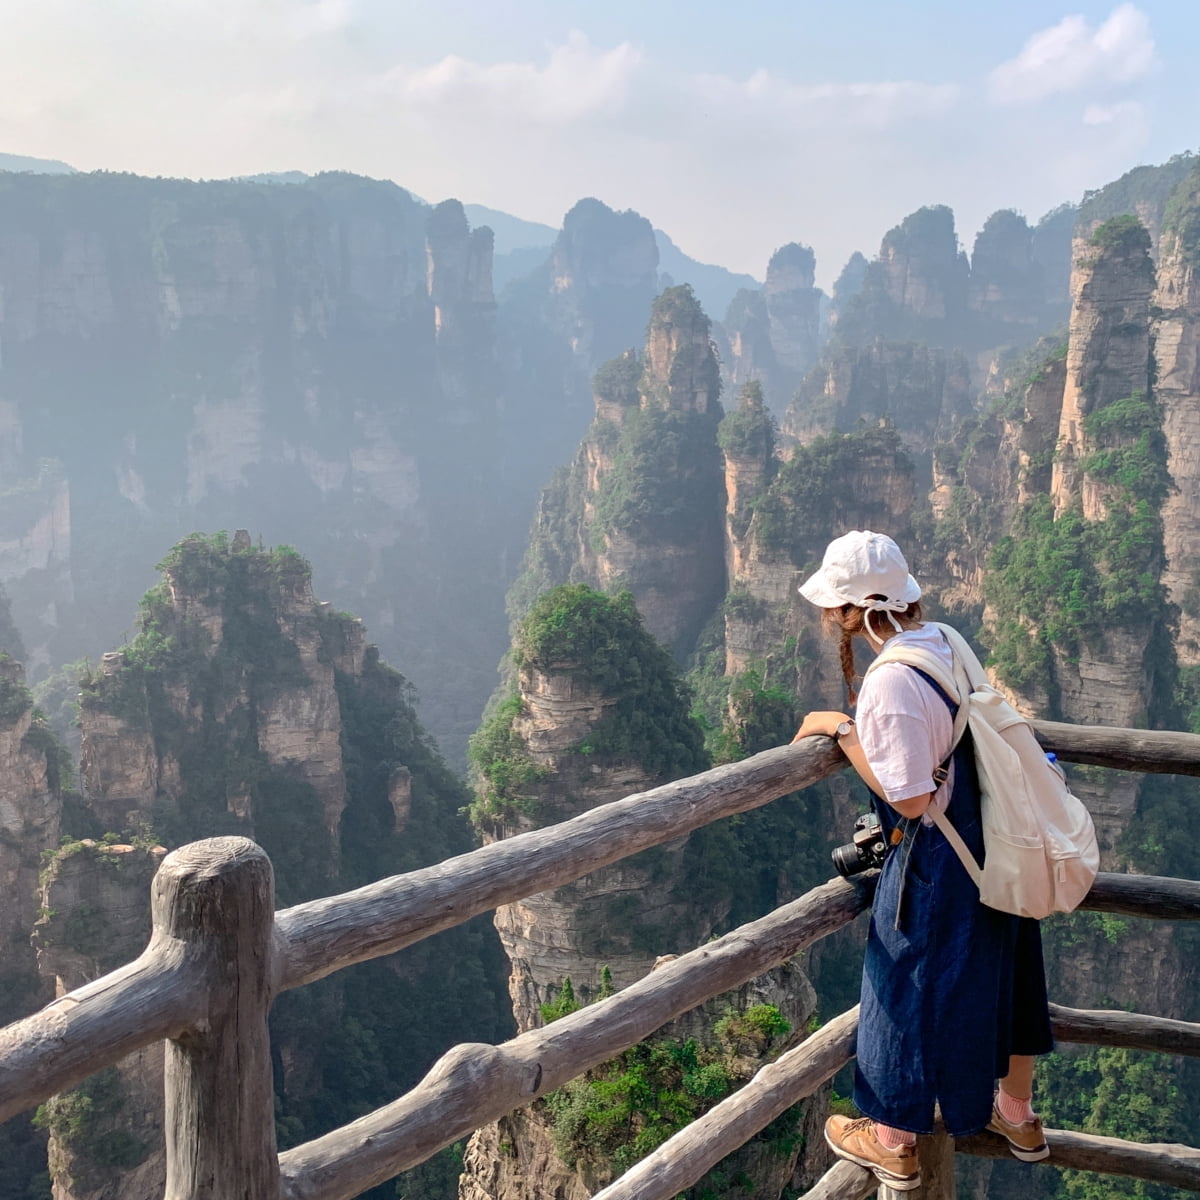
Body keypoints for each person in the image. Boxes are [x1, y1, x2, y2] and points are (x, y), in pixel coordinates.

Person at [792, 530, 1053, 1192]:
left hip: (939, 857)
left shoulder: (891, 681)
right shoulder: (944, 642)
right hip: (994, 838)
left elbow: (908, 799)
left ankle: (892, 1141)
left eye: (835, 608)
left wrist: (842, 729)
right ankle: (1017, 1114)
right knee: (1008, 968)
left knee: (900, 986)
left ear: (859, 611)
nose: (829, 620)